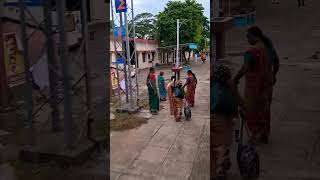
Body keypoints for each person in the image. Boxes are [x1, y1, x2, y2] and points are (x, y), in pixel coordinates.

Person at [234, 26, 278, 144]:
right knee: (264, 109)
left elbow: (245, 68)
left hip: (254, 87)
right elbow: (277, 61)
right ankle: (264, 135)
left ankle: (254, 135)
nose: (248, 40)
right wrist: (273, 75)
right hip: (267, 85)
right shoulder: (268, 48)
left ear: (255, 37)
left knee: (250, 110)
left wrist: (235, 79)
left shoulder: (251, 51)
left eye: (248, 37)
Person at [211, 65, 244, 180]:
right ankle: (220, 171)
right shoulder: (230, 86)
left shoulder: (212, 84)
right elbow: (239, 102)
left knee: (213, 146)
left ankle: (214, 172)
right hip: (223, 120)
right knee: (222, 146)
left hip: (212, 118)